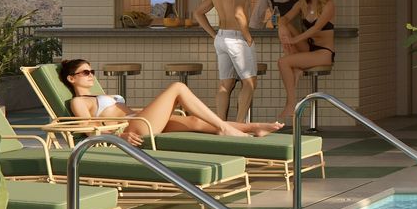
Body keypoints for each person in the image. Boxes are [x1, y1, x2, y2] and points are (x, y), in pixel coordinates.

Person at [60, 58, 279, 145]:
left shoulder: (95, 96)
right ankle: (225, 128)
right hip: (134, 128)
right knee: (177, 87)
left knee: (194, 121)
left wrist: (158, 108)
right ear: (71, 79)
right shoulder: (78, 101)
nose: (91, 75)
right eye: (85, 72)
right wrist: (119, 136)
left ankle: (254, 127)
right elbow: (89, 130)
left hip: (139, 119)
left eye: (92, 71)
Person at [194, 0, 258, 121]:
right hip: (237, 39)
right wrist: (248, 37)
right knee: (249, 82)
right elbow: (238, 13)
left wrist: (214, 35)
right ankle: (239, 124)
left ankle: (221, 124)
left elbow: (198, 12)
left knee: (225, 84)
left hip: (221, 38)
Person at [276, 0, 337, 123]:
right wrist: (282, 26)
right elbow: (285, 18)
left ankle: (291, 104)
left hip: (323, 52)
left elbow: (315, 29)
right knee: (285, 25)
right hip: (309, 47)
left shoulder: (328, 5)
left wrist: (294, 40)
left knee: (283, 62)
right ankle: (297, 67)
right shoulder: (302, 4)